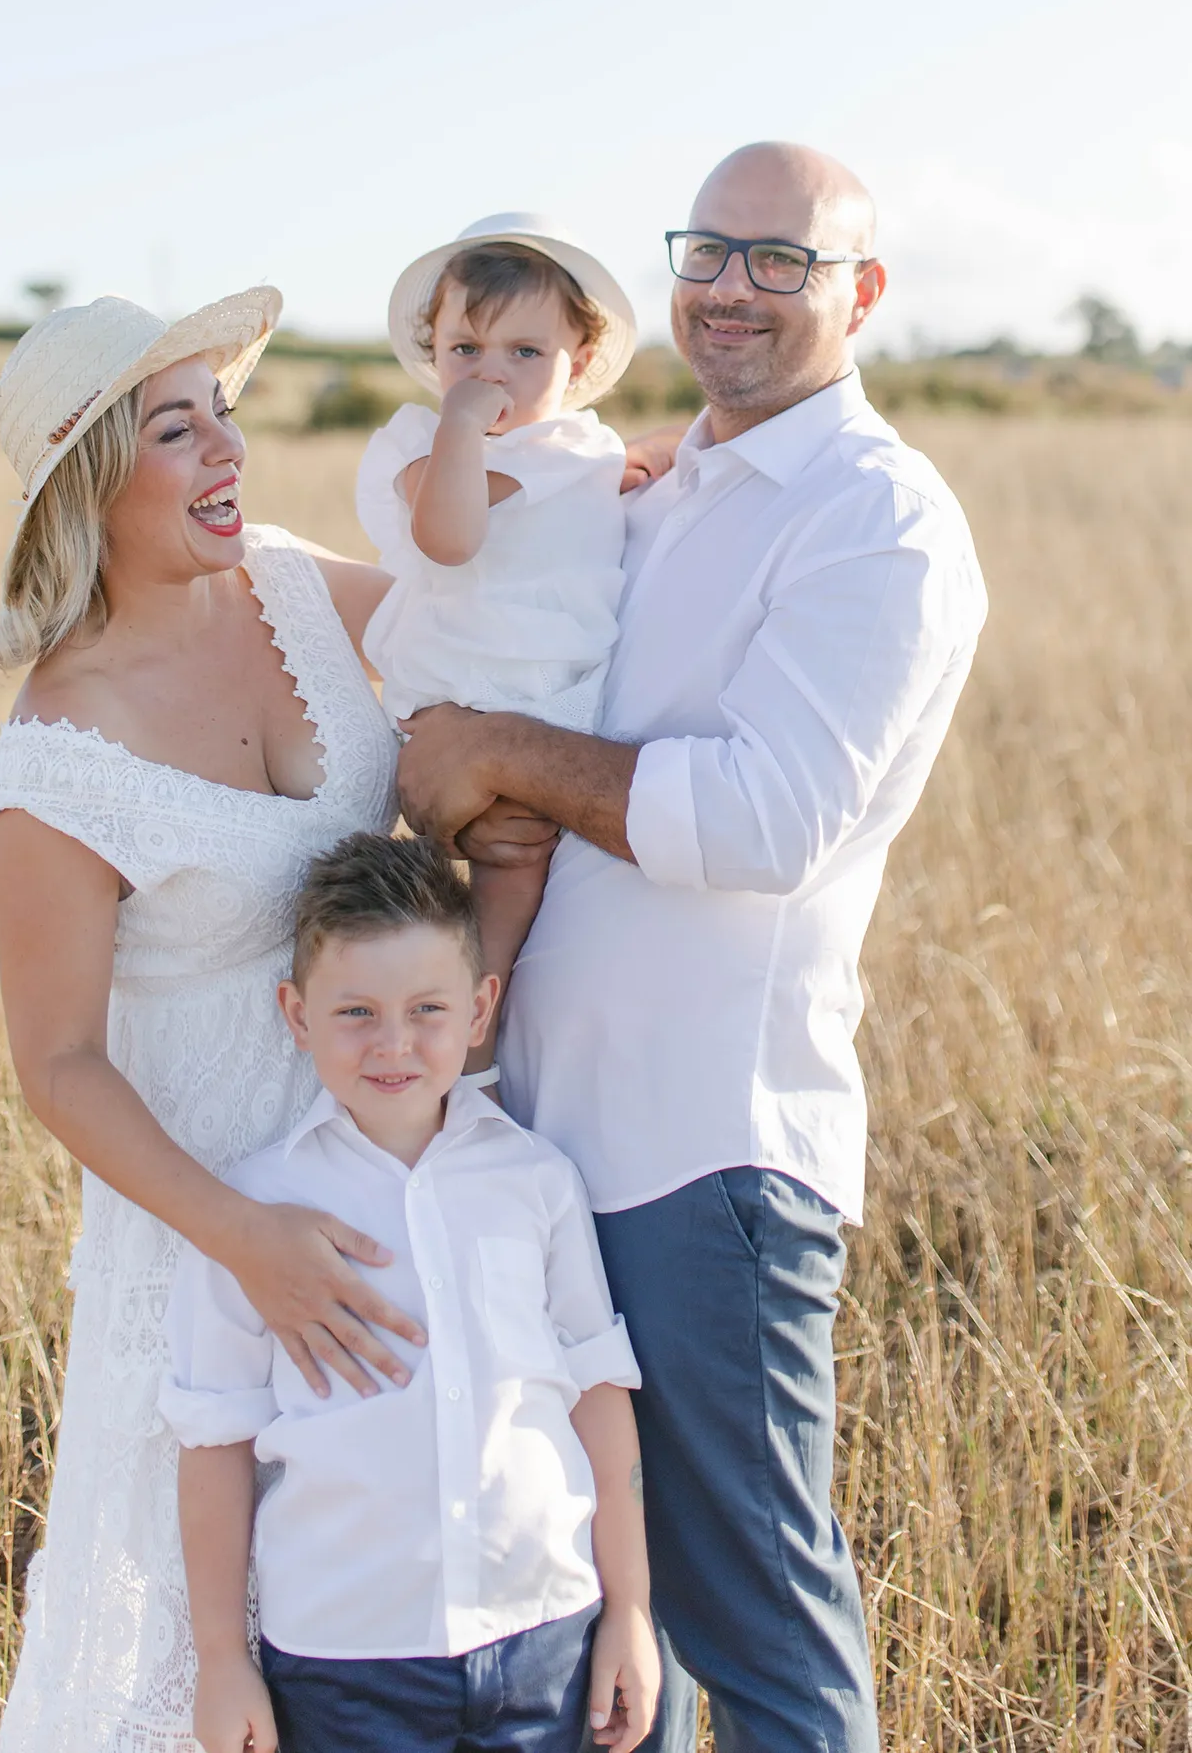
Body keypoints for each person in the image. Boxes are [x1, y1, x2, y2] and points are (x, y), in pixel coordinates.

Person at [398, 142, 990, 1752]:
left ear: (860, 294)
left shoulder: (879, 523)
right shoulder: (669, 493)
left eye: (781, 260)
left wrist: (503, 752)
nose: (733, 286)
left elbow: (766, 819)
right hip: (548, 1133)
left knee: (759, 1623)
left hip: (707, 1152)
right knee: (608, 1620)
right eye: (709, 250)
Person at [0, 291, 414, 1751]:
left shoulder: (288, 583)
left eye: (223, 407)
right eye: (178, 425)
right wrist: (243, 1237)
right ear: (94, 480)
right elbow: (58, 1064)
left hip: (384, 1196)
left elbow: (494, 612)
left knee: (384, 1619)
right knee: (194, 1656)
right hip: (204, 1239)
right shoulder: (60, 755)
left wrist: (620, 476)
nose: (228, 445)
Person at [160, 831, 660, 1753]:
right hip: (346, 1655)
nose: (393, 1044)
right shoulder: (257, 1212)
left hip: (543, 1630)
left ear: (479, 1009)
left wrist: (628, 1606)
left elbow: (596, 1391)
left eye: (426, 1008)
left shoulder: (536, 1180)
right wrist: (223, 1661)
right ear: (295, 1015)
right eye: (355, 1011)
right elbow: (215, 1441)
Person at [356, 213, 636, 1003]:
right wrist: (461, 428)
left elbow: (589, 490)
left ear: (576, 364)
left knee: (530, 855)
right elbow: (449, 539)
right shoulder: (424, 444)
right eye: (466, 351)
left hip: (554, 687)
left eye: (525, 352)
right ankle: (466, 1005)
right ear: (432, 353)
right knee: (496, 855)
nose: (493, 375)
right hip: (464, 680)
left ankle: (481, 999)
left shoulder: (582, 447)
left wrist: (639, 464)